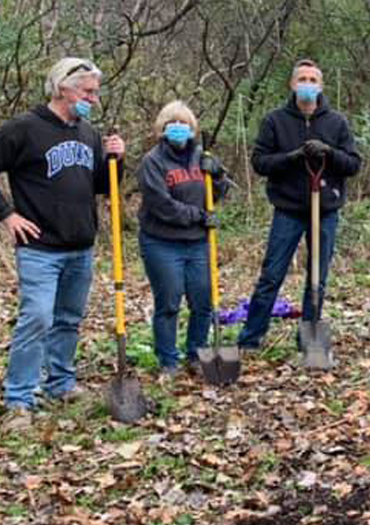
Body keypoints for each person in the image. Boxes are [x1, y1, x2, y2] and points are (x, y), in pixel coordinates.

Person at [0, 57, 126, 428]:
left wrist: (117, 159)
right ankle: (19, 398)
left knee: (68, 320)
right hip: (40, 248)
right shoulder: (23, 129)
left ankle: (60, 383)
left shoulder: (87, 133)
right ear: (61, 87)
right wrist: (7, 215)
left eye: (96, 92)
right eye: (87, 91)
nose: (94, 99)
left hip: (80, 246)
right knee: (37, 317)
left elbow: (103, 187)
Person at [237, 60, 361, 353]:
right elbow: (260, 162)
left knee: (317, 277)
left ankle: (309, 340)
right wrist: (292, 157)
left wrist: (329, 153)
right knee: (271, 274)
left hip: (326, 210)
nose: (307, 84)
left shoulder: (337, 122)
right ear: (292, 85)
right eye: (302, 79)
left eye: (312, 79)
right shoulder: (275, 121)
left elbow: (354, 164)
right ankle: (251, 339)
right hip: (288, 209)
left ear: (321, 86)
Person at [137, 101, 230, 375]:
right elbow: (160, 205)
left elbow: (216, 194)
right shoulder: (152, 162)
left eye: (184, 124)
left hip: (198, 243)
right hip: (162, 242)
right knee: (168, 302)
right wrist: (199, 216)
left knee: (203, 301)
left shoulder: (202, 156)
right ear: (161, 129)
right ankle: (168, 360)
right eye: (171, 124)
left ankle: (196, 354)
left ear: (193, 129)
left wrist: (219, 175)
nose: (178, 128)